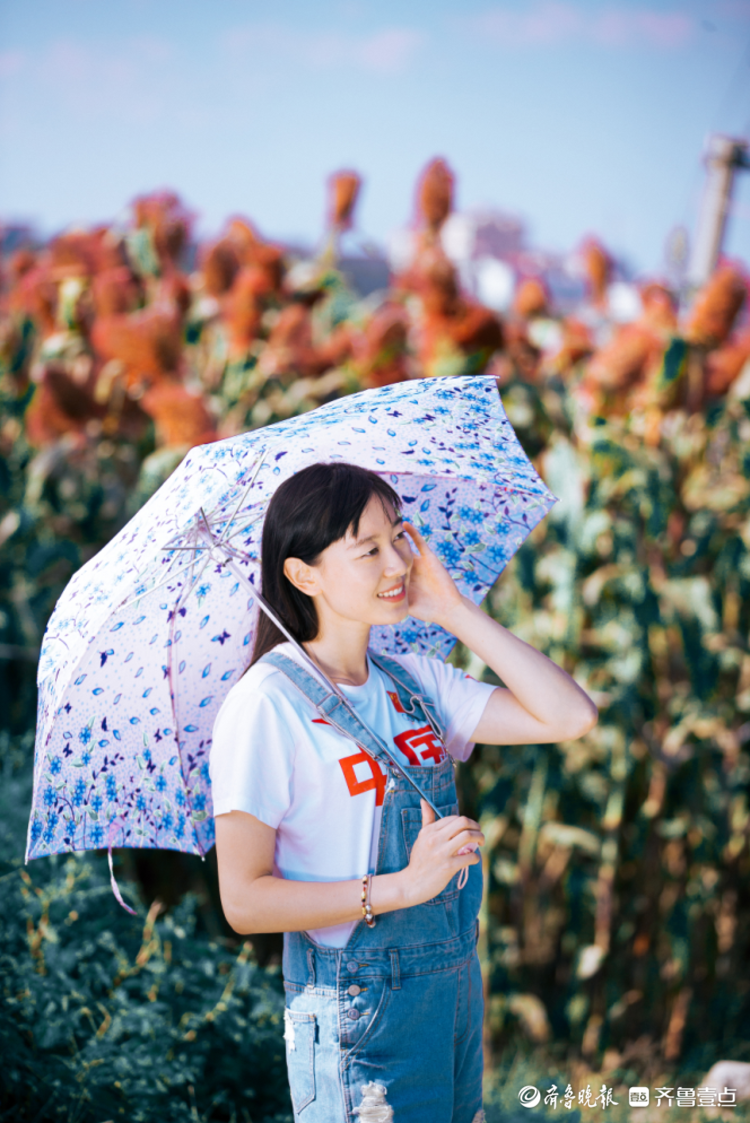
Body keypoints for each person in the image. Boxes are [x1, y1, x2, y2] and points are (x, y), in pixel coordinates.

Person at [210, 462, 597, 1123]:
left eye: (399, 536)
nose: (398, 562)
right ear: (304, 574)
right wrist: (400, 887)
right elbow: (243, 900)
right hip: (358, 1005)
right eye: (368, 549)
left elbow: (569, 716)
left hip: (450, 987)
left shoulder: (414, 681)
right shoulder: (266, 703)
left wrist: (452, 609)